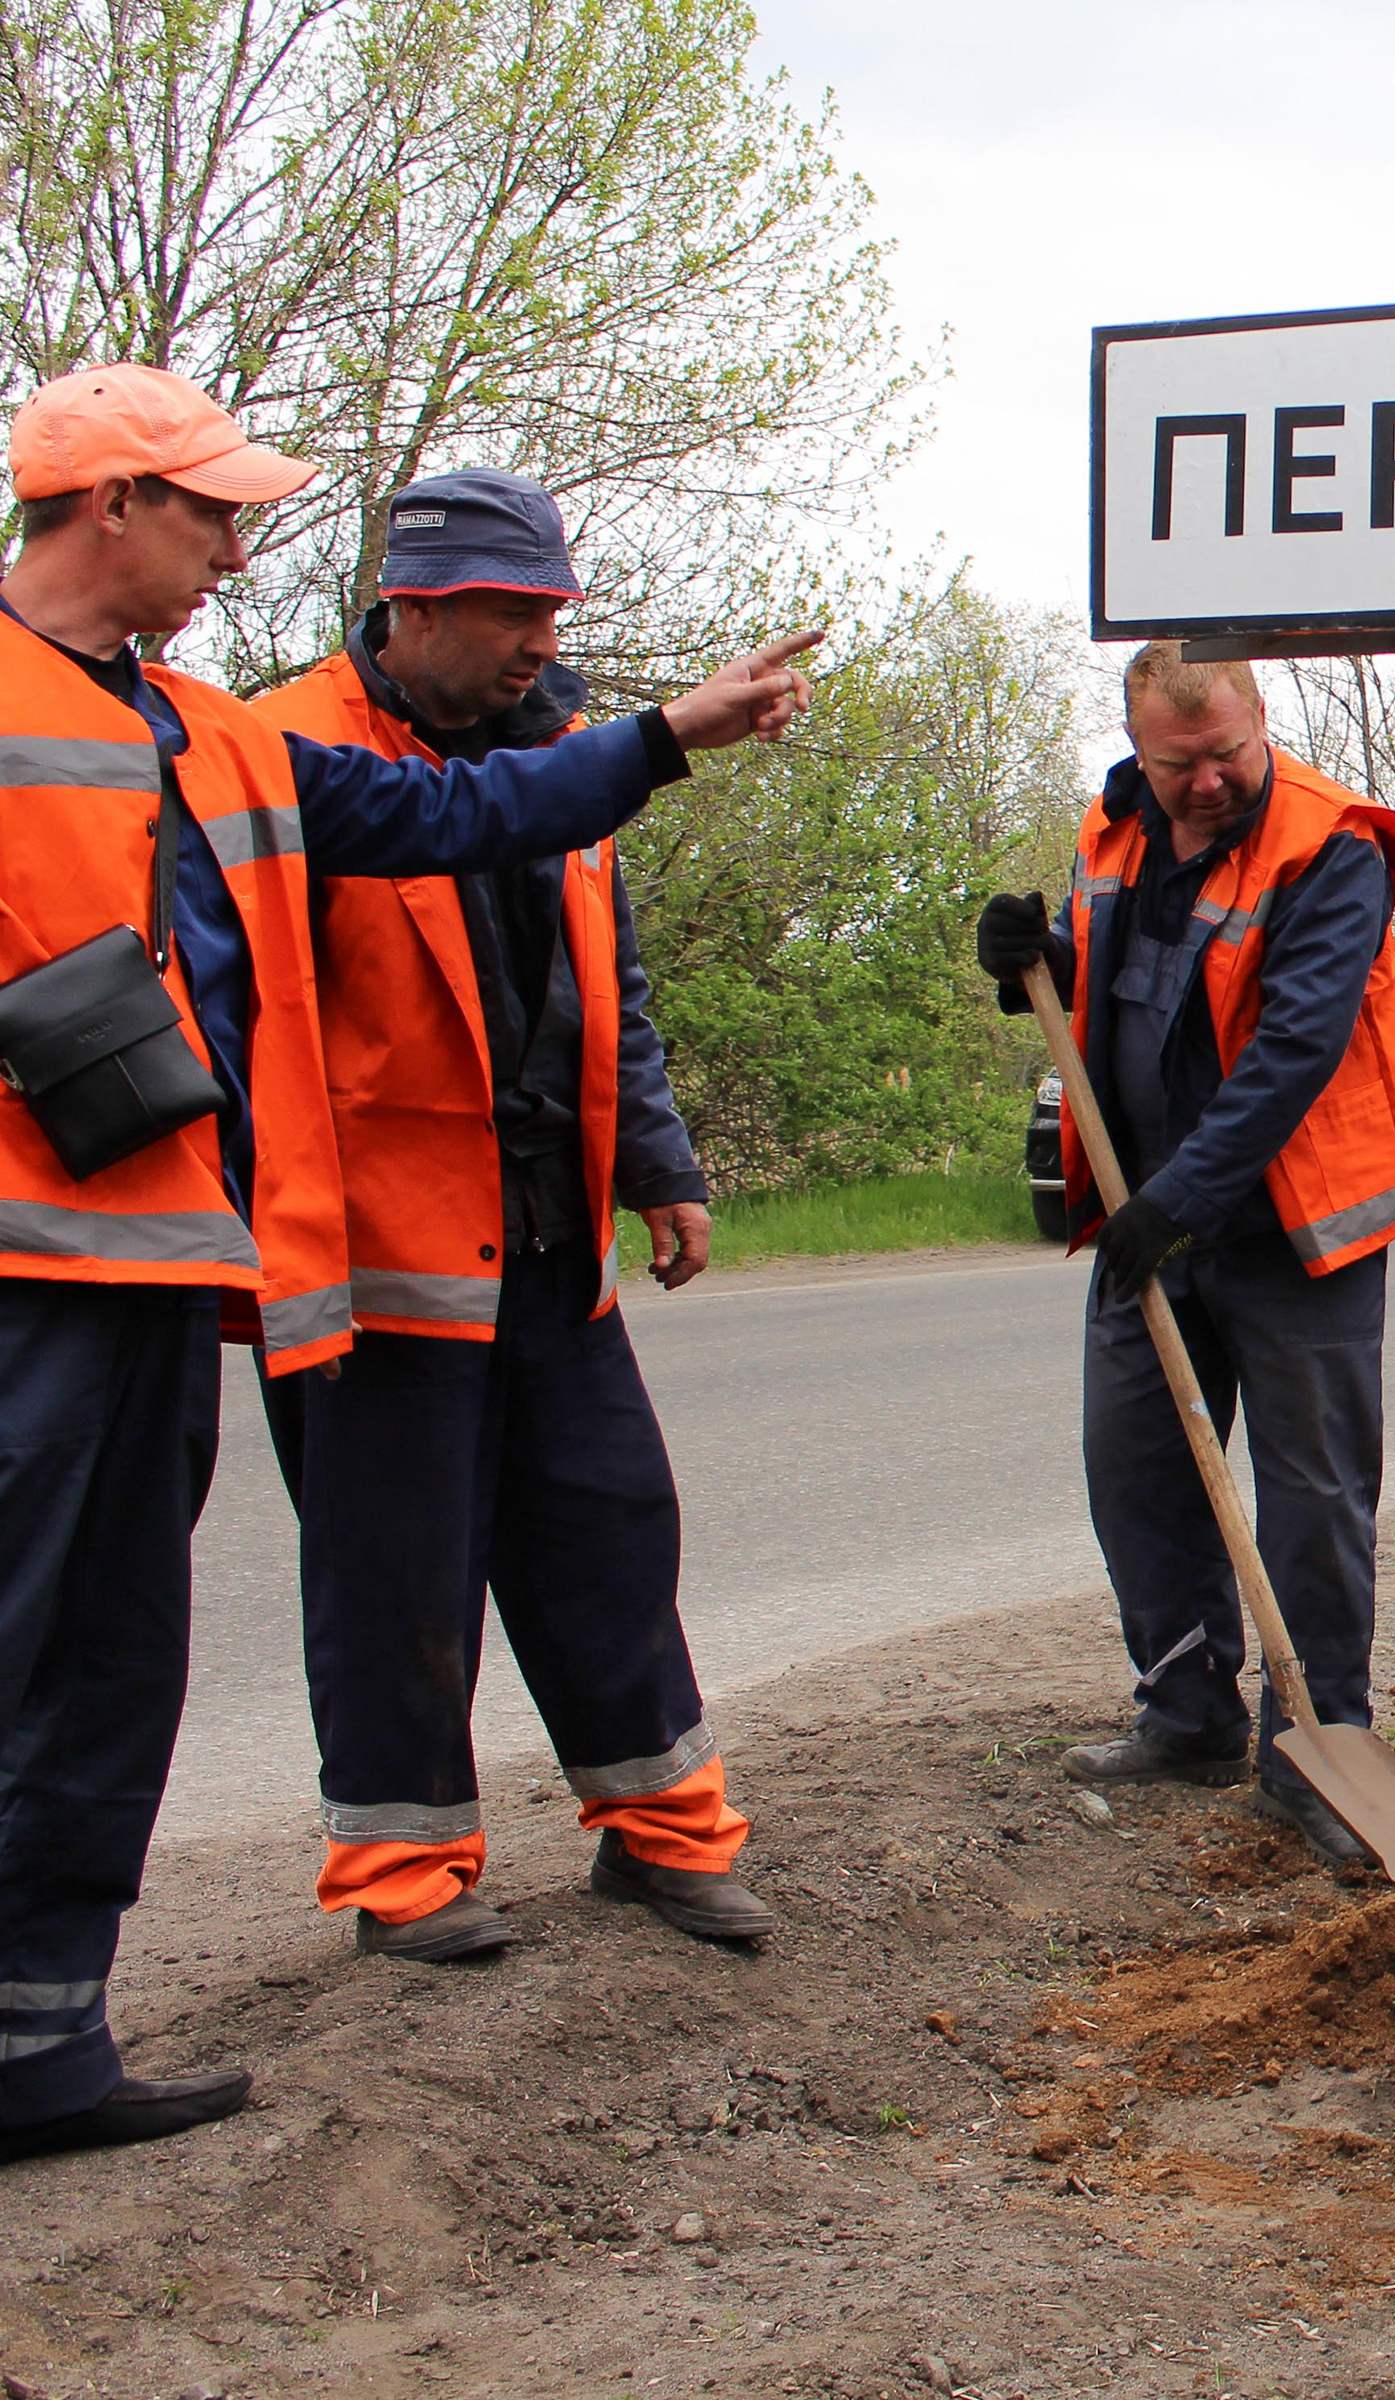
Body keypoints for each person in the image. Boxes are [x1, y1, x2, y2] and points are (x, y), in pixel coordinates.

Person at [0, 362, 812, 2164]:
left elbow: (470, 836)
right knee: (70, 1633)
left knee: (106, 1656)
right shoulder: (150, 709)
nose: (235, 541)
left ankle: (40, 2046)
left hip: (165, 1262)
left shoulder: (212, 735)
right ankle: (364, 1882)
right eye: (210, 510)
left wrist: (666, 735)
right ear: (110, 503)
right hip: (120, 1276)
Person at [247, 472, 770, 1966]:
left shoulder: (563, 749)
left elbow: (612, 979)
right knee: (394, 1568)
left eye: (552, 610)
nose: (538, 640)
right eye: (507, 612)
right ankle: (406, 1880)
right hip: (374, 1259)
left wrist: (658, 1165)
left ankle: (665, 1836)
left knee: (609, 1529)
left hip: (548, 1236)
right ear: (411, 606)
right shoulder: (293, 748)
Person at [974, 646, 1395, 1870]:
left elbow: (1294, 1049)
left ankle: (1319, 1748)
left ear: (1259, 718)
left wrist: (1178, 1199)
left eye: (1227, 753)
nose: (1210, 781)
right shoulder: (1115, 830)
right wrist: (1031, 963)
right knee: (1139, 1475)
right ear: (1138, 742)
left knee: (1314, 1499)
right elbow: (1117, 986)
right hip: (1148, 1217)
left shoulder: (1331, 847)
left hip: (1291, 1228)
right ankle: (1186, 1714)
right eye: (1181, 765)